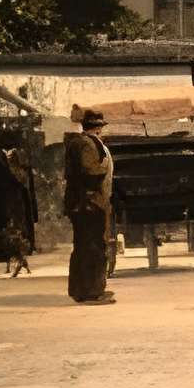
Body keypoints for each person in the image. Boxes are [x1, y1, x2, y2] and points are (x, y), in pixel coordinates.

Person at [62, 106, 116, 305]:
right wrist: (104, 165)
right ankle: (92, 292)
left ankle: (80, 290)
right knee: (93, 247)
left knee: (83, 246)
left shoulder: (78, 143)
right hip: (89, 203)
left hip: (83, 203)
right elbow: (91, 172)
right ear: (98, 128)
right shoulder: (87, 144)